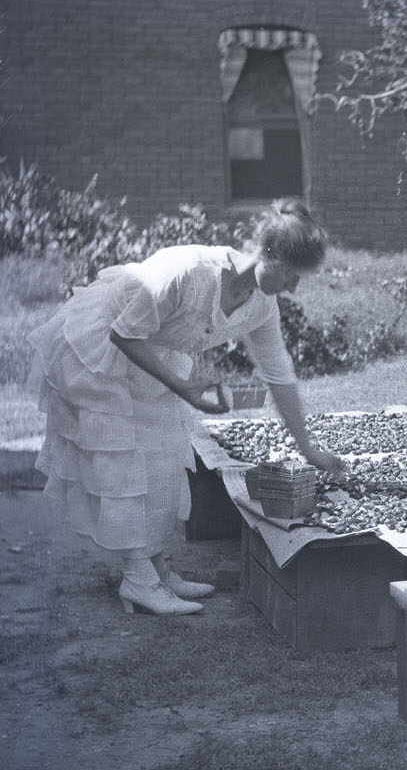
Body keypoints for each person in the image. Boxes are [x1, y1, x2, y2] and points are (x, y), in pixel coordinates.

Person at [28, 198, 345, 616]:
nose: (292, 287)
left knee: (163, 458)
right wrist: (185, 388)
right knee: (122, 463)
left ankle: (158, 570)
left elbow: (279, 377)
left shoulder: (261, 305)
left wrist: (309, 449)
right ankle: (138, 581)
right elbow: (123, 334)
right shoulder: (186, 271)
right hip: (97, 348)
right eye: (291, 274)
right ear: (269, 253)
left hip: (149, 356)